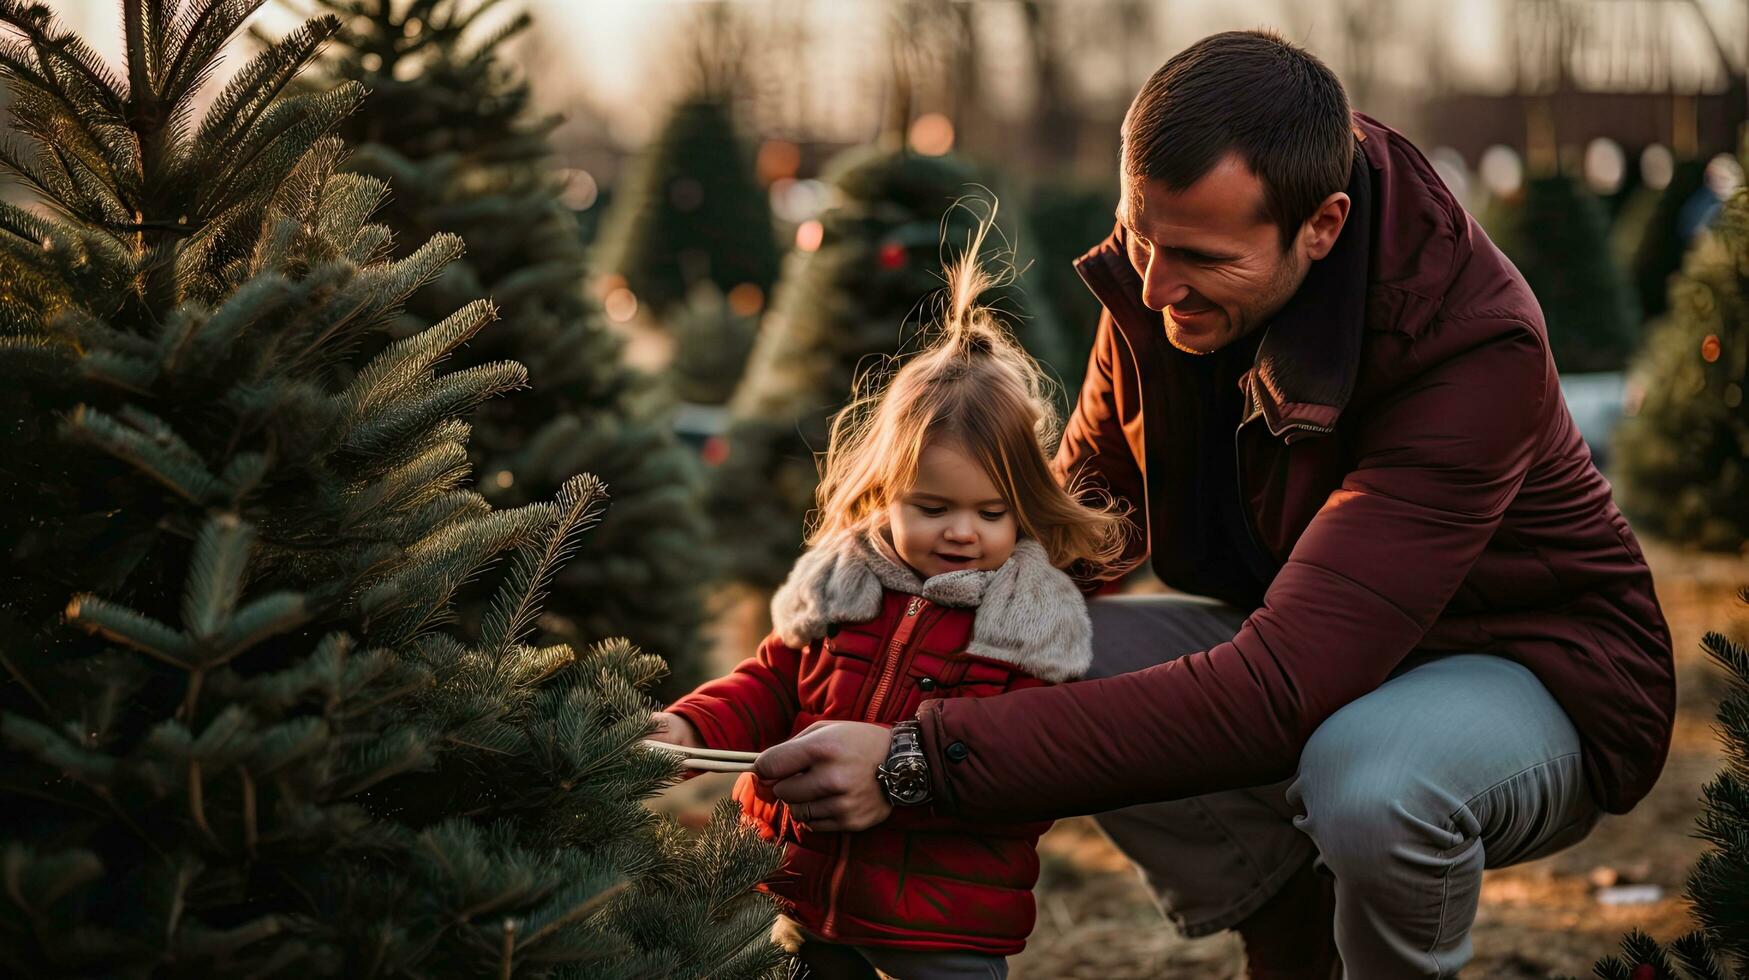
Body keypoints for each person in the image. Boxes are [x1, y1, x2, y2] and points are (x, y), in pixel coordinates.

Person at [753, 30, 1676, 980]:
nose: (1153, 289)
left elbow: (1279, 691)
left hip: (1524, 667)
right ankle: (1288, 940)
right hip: (1306, 640)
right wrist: (825, 661)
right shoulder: (1157, 289)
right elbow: (1059, 555)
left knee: (1368, 782)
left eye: (1199, 257)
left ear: (1321, 226)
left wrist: (915, 757)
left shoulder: (1470, 351)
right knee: (1042, 648)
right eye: (1141, 239)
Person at [649, 227, 1128, 980]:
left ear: (1025, 509)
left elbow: (1023, 769)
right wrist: (688, 724)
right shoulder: (845, 582)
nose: (962, 533)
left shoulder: (1029, 622)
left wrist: (905, 785)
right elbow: (772, 682)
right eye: (933, 507)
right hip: (801, 892)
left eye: (991, 512)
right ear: (883, 492)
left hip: (943, 922)